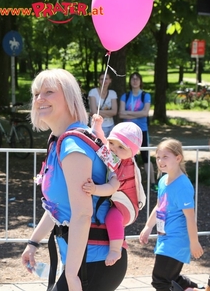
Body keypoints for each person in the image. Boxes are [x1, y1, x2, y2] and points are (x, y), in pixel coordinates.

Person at [21, 69, 127, 291]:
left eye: (49, 91)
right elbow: (59, 208)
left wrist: (71, 274)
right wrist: (33, 243)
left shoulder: (72, 145)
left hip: (93, 263)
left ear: (69, 97)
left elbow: (82, 214)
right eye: (36, 93)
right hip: (83, 262)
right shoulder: (58, 142)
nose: (40, 98)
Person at [139, 138, 204, 291]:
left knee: (160, 281)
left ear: (178, 158)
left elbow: (190, 217)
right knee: (171, 278)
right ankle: (196, 288)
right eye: (158, 157)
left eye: (165, 157)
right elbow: (160, 206)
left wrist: (194, 242)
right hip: (164, 238)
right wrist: (148, 227)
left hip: (176, 240)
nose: (160, 161)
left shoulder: (182, 186)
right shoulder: (163, 180)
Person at [82, 114, 145, 267]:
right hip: (120, 200)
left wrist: (94, 189)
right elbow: (103, 144)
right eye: (113, 143)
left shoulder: (123, 168)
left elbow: (111, 187)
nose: (114, 150)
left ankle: (116, 249)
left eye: (121, 147)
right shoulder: (118, 157)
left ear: (133, 152)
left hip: (128, 208)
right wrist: (97, 127)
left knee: (112, 217)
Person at [119, 71, 158, 192]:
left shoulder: (145, 95)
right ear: (130, 82)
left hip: (142, 131)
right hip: (127, 132)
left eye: (137, 79)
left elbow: (145, 113)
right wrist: (138, 114)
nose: (135, 81)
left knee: (146, 157)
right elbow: (120, 113)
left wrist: (128, 113)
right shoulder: (125, 96)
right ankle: (131, 184)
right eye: (133, 79)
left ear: (141, 81)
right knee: (129, 158)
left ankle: (152, 183)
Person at [88, 71, 117, 137]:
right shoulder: (93, 92)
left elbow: (114, 112)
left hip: (110, 126)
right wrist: (109, 113)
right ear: (99, 80)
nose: (104, 81)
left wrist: (98, 112)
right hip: (96, 127)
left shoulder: (113, 93)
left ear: (110, 80)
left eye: (106, 79)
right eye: (102, 79)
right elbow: (94, 112)